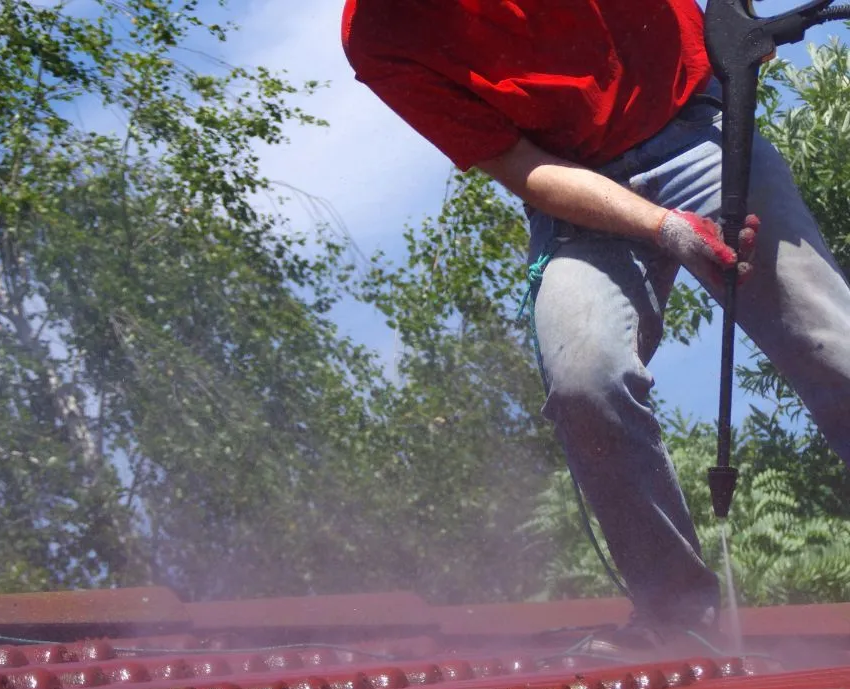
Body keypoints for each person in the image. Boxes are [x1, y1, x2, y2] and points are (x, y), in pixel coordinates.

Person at [341, 0, 850, 649]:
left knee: (833, 349)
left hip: (697, 136)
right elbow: (522, 166)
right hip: (580, 202)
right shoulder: (381, 36)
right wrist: (663, 227)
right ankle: (675, 622)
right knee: (585, 380)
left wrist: (735, 11)